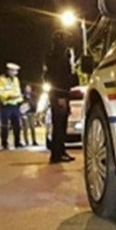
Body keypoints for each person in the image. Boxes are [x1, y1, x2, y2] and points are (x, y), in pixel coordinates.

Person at [43, 30, 78, 163]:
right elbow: (58, 78)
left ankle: (60, 151)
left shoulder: (57, 55)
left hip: (60, 94)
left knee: (61, 125)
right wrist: (61, 96)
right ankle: (57, 154)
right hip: (59, 95)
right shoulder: (57, 57)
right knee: (59, 126)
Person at [0, 62, 24, 149]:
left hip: (15, 105)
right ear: (9, 71)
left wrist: (20, 100)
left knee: (17, 125)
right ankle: (4, 142)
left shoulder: (16, 80)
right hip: (6, 105)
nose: (15, 73)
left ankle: (17, 142)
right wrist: (9, 96)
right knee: (5, 125)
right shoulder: (1, 79)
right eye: (14, 71)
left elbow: (18, 91)